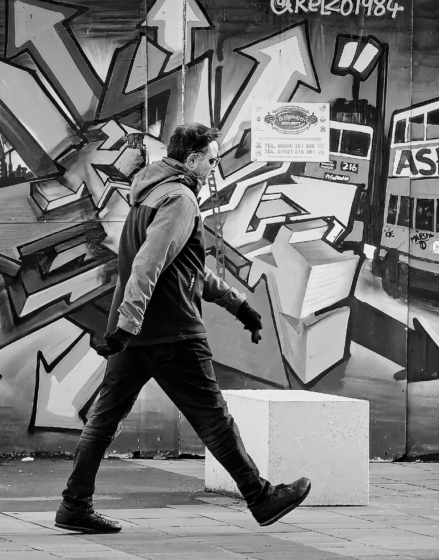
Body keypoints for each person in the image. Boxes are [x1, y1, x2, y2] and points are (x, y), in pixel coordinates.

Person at [54, 123, 312, 534]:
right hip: (171, 330)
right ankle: (260, 497)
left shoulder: (150, 194)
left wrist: (238, 304)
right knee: (214, 418)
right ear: (191, 159)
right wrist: (130, 322)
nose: (213, 166)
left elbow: (186, 268)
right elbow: (149, 263)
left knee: (103, 420)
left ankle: (74, 505)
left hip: (135, 332)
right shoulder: (180, 198)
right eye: (210, 158)